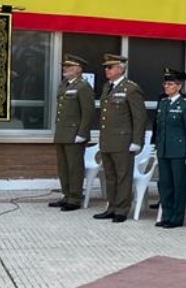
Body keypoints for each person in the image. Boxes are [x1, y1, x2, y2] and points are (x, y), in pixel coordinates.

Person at [94, 54, 147, 224]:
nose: (106, 70)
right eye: (106, 67)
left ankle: (122, 209)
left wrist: (137, 141)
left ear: (120, 69)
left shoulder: (131, 88)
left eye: (110, 67)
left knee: (123, 175)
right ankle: (111, 206)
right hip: (108, 139)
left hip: (123, 140)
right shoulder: (107, 87)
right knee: (109, 175)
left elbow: (139, 117)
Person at [152, 68, 186, 229]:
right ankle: (166, 215)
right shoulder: (163, 102)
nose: (166, 87)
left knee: (178, 185)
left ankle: (177, 218)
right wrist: (156, 145)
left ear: (178, 86)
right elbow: (159, 126)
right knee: (165, 184)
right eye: (165, 83)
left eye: (170, 84)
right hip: (163, 149)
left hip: (179, 151)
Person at [51, 54, 94, 212]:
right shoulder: (64, 84)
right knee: (63, 166)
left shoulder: (83, 86)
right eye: (65, 66)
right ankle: (66, 194)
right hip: (62, 132)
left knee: (74, 167)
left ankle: (75, 198)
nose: (65, 68)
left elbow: (88, 112)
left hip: (75, 133)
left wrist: (82, 133)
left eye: (68, 66)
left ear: (78, 69)